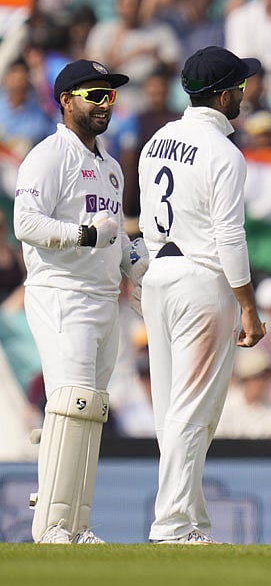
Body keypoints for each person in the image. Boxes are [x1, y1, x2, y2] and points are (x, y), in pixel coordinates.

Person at [13, 59, 147, 544]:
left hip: (103, 297)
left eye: (109, 95)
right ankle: (50, 525)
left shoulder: (110, 167)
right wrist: (84, 235)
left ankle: (78, 524)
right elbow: (25, 223)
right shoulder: (49, 156)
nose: (104, 104)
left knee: (92, 409)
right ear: (66, 101)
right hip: (60, 292)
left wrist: (136, 261)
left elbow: (112, 237)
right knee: (71, 403)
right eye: (94, 95)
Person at [139, 46, 267, 544]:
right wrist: (249, 306)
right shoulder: (223, 153)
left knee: (172, 412)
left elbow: (146, 218)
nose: (244, 94)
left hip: (159, 274)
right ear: (224, 95)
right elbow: (230, 237)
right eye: (240, 86)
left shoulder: (157, 140)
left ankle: (190, 520)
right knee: (193, 411)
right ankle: (172, 524)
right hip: (202, 281)